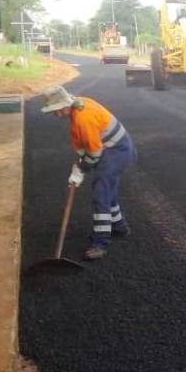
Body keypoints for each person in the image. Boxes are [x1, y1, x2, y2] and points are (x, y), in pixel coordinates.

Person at [41, 86, 137, 260]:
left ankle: (100, 243)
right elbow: (81, 141)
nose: (54, 115)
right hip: (110, 148)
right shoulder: (77, 109)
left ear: (63, 107)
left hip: (117, 151)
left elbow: (94, 153)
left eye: (54, 111)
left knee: (101, 193)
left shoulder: (84, 117)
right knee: (108, 191)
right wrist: (78, 165)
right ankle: (120, 227)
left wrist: (82, 169)